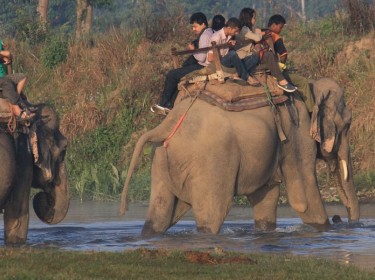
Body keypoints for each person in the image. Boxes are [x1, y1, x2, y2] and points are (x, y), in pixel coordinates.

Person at [152, 12, 215, 113]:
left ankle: (163, 104)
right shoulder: (211, 31)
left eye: (195, 26)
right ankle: (170, 104)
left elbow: (202, 58)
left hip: (202, 66)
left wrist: (192, 50)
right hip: (207, 64)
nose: (193, 29)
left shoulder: (204, 35)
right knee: (179, 74)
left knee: (172, 75)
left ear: (203, 24)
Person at [236, 8, 297, 92]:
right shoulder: (245, 29)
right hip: (245, 57)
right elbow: (257, 38)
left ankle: (279, 77)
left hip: (248, 55)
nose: (255, 20)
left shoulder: (246, 29)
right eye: (254, 18)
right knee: (267, 54)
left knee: (266, 53)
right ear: (248, 18)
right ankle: (281, 81)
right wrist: (258, 31)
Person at [267, 14, 314, 111]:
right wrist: (281, 64)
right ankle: (311, 111)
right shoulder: (275, 37)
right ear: (274, 25)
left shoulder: (259, 34)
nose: (281, 30)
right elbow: (284, 55)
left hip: (258, 72)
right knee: (303, 82)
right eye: (280, 27)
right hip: (273, 72)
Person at [207, 17, 259, 85]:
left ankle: (237, 74)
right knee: (232, 54)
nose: (236, 33)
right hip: (221, 61)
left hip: (230, 60)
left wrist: (230, 45)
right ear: (229, 28)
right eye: (235, 31)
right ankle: (247, 77)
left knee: (254, 57)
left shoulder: (229, 36)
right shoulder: (216, 38)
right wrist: (226, 56)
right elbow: (210, 58)